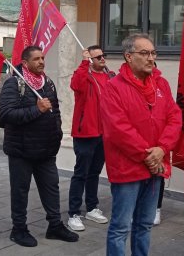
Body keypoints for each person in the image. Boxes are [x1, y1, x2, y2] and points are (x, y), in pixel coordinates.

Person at [100, 34, 182, 256]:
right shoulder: (113, 87)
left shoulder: (161, 84)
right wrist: (149, 155)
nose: (151, 58)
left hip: (155, 167)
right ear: (128, 56)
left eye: (153, 53)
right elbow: (119, 129)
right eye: (144, 53)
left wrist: (162, 149)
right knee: (120, 227)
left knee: (144, 225)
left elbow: (175, 118)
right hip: (128, 168)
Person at [0, 45, 79, 247]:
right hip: (21, 151)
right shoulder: (14, 83)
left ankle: (55, 226)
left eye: (42, 58)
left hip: (46, 150)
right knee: (20, 191)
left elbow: (56, 110)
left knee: (51, 188)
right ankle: (19, 229)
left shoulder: (47, 83)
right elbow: (6, 115)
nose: (42, 62)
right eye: (36, 59)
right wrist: (37, 109)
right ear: (25, 63)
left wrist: (57, 133)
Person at [67, 45, 114, 231]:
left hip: (103, 134)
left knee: (94, 172)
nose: (103, 59)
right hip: (85, 133)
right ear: (91, 60)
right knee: (81, 173)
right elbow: (75, 84)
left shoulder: (110, 77)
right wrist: (83, 62)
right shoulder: (84, 76)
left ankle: (92, 207)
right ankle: (73, 213)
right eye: (98, 57)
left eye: (104, 55)